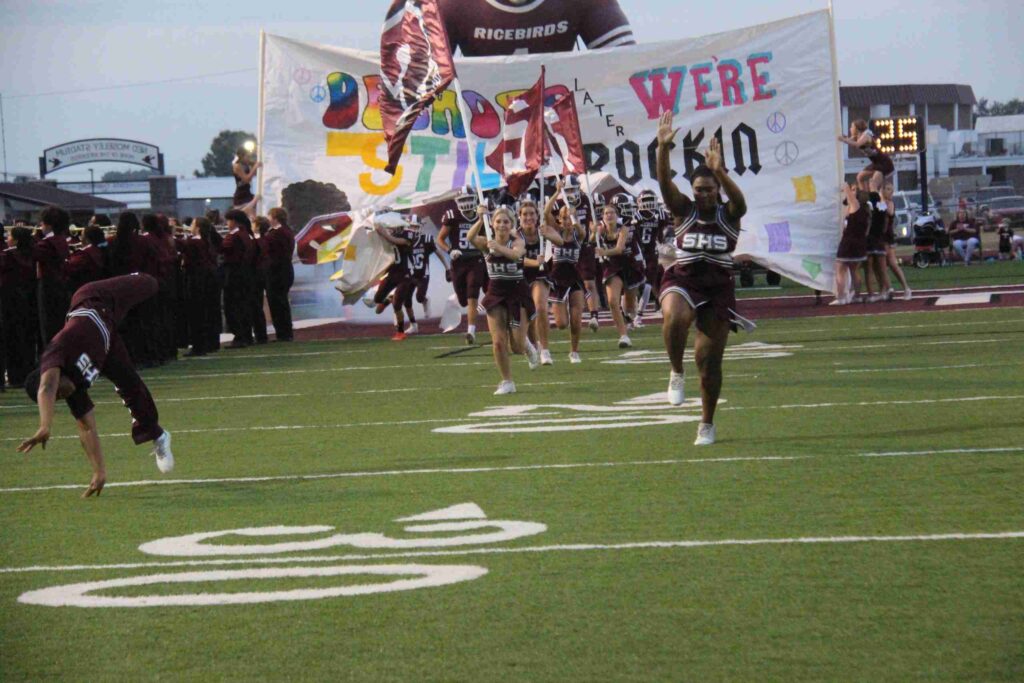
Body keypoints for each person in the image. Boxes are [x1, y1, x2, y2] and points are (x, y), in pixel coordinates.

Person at [17, 273, 175, 498]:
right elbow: (87, 428)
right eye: (60, 399)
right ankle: (158, 435)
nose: (64, 395)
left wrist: (44, 426)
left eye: (59, 393)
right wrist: (99, 472)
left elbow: (47, 387)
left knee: (152, 282)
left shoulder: (57, 351)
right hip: (107, 344)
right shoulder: (75, 390)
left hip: (98, 299)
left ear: (53, 373)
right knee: (130, 385)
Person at [656, 111, 753, 446]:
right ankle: (675, 371)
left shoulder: (729, 214)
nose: (704, 195)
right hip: (684, 277)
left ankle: (707, 423)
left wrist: (720, 172)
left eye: (709, 189)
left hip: (717, 286)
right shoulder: (685, 208)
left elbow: (740, 202)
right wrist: (662, 150)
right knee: (674, 315)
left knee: (709, 363)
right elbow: (665, 186)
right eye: (699, 189)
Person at [467, 205, 538, 394]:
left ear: (512, 224)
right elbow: (470, 238)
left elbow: (516, 255)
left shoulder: (518, 241)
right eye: (498, 221)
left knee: (516, 346)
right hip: (496, 293)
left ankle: (527, 346)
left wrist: (497, 247)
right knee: (498, 341)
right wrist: (480, 219)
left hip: (517, 293)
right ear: (493, 223)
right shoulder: (486, 242)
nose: (502, 225)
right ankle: (507, 382)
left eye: (506, 221)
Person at [439, 0, 635, 55]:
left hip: (563, 131)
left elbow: (629, 71)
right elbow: (416, 88)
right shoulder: (448, 5)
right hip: (479, 138)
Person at [438, 186, 489, 344]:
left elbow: (489, 237)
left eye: (468, 199)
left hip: (476, 259)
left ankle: (471, 331)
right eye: (463, 200)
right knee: (463, 300)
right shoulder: (452, 216)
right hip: (458, 262)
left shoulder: (482, 215)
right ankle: (462, 308)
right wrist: (450, 250)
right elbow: (439, 239)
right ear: (457, 202)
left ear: (475, 199)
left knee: (472, 295)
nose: (466, 203)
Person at [595, 193, 643, 348]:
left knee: (629, 307)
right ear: (602, 216)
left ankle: (629, 319)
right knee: (612, 301)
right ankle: (623, 336)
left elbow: (619, 249)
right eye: (606, 213)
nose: (609, 215)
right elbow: (589, 242)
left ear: (617, 215)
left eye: (612, 213)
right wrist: (592, 233)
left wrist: (604, 252)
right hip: (612, 267)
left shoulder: (624, 229)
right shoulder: (600, 230)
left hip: (629, 265)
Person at [544, 196, 586, 363]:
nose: (568, 220)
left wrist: (575, 217)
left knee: (577, 317)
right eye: (565, 217)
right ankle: (549, 308)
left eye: (571, 217)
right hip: (558, 277)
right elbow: (546, 212)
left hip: (574, 276)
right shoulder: (556, 232)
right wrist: (557, 192)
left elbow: (582, 232)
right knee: (562, 323)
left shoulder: (578, 234)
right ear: (560, 220)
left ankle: (574, 352)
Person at [522, 197, 561, 365]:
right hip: (520, 276)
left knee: (540, 307)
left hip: (540, 275)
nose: (529, 217)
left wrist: (549, 235)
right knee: (527, 316)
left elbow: (560, 241)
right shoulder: (516, 234)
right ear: (520, 216)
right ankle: (533, 345)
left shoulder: (543, 230)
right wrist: (534, 261)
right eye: (525, 214)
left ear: (537, 216)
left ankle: (545, 350)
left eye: (532, 214)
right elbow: (517, 258)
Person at [2, 227, 39, 387]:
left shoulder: (8, 255)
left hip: (11, 302)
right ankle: (29, 375)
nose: (7, 238)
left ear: (16, 240)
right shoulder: (34, 254)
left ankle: (16, 377)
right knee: (29, 341)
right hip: (31, 301)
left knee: (12, 340)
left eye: (9, 236)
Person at [33, 206, 73, 346]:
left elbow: (33, 255)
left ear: (48, 225)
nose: (40, 226)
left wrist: (32, 239)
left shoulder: (47, 243)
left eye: (42, 223)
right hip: (60, 287)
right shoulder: (61, 240)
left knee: (48, 327)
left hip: (48, 288)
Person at [373, 215, 415, 341]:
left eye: (393, 227)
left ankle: (400, 332)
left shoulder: (408, 235)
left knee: (397, 305)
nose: (391, 229)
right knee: (377, 299)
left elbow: (395, 241)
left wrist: (383, 232)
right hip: (392, 273)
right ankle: (388, 300)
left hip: (405, 275)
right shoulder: (388, 236)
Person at [181, 217, 219, 356]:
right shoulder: (206, 242)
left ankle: (198, 346)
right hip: (208, 279)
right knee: (207, 312)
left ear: (197, 227)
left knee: (196, 313)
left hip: (196, 280)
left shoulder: (193, 242)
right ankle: (209, 343)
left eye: (193, 224)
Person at [634, 189, 671, 318]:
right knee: (634, 283)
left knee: (650, 281)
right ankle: (631, 313)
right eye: (646, 200)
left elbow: (663, 234)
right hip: (637, 252)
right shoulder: (636, 216)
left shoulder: (660, 215)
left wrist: (662, 241)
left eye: (651, 200)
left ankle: (639, 314)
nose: (649, 203)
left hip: (652, 251)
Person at [222, 209, 256, 348]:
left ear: (234, 221)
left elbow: (224, 248)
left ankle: (240, 336)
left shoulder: (235, 235)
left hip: (235, 274)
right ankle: (246, 335)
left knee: (233, 306)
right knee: (244, 306)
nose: (227, 223)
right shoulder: (247, 234)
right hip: (245, 274)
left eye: (228, 221)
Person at [833, 184, 869, 305]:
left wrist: (845, 186)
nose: (851, 192)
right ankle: (857, 296)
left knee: (839, 268)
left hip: (849, 242)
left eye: (854, 190)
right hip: (858, 242)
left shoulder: (855, 205)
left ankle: (841, 297)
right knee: (854, 270)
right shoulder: (861, 209)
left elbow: (847, 190)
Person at [264, 207, 296, 342]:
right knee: (281, 301)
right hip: (285, 269)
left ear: (275, 218)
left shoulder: (277, 233)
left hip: (277, 271)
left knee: (277, 302)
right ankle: (285, 332)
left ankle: (283, 333)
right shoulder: (287, 231)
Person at [838, 120, 894, 196]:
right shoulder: (857, 136)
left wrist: (844, 140)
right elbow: (849, 140)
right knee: (860, 177)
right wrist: (843, 138)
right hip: (876, 162)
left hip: (883, 163)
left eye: (852, 127)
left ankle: (878, 204)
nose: (850, 129)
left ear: (857, 129)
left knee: (873, 184)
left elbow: (857, 144)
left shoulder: (866, 135)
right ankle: (864, 197)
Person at [881, 184, 912, 300]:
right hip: (880, 237)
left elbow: (889, 212)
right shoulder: (880, 202)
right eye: (888, 189)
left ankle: (905, 288)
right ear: (882, 190)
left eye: (892, 190)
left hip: (887, 238)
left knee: (892, 264)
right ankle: (887, 289)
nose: (891, 192)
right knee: (882, 266)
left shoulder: (889, 203)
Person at [65, 225, 110, 294]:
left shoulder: (84, 254)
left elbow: (69, 267)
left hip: (85, 289)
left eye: (82, 236)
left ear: (87, 239)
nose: (80, 239)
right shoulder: (105, 249)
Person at [250, 216, 271, 344]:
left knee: (255, 305)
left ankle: (260, 335)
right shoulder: (265, 240)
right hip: (262, 274)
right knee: (258, 304)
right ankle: (261, 334)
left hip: (256, 275)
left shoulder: (257, 241)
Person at [232, 147, 261, 217]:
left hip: (247, 191)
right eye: (247, 156)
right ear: (241, 156)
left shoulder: (246, 163)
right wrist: (255, 168)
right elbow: (246, 179)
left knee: (253, 212)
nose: (248, 158)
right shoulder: (237, 166)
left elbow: (255, 163)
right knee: (249, 212)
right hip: (241, 194)